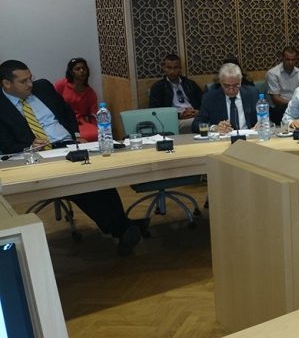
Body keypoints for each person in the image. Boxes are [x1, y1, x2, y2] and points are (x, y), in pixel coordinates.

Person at [0, 60, 144, 255]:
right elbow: (5, 144)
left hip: (68, 145)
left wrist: (76, 136)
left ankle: (122, 227)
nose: (30, 84)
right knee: (81, 182)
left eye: (30, 78)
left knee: (99, 176)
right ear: (7, 84)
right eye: (23, 81)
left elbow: (67, 112)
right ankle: (122, 227)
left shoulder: (43, 87)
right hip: (39, 154)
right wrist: (28, 146)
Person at [192, 63, 258, 134]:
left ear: (241, 81)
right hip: (223, 138)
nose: (231, 90)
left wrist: (261, 124)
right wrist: (214, 128)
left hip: (249, 137)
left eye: (236, 85)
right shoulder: (210, 98)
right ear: (220, 82)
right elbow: (196, 124)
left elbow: (265, 118)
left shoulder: (253, 93)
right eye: (227, 86)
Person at [149, 54, 203, 134]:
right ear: (164, 68)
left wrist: (198, 112)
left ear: (180, 68)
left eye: (175, 68)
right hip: (175, 120)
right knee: (200, 123)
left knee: (207, 119)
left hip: (194, 115)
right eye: (169, 68)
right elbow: (155, 111)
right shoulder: (158, 87)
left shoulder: (190, 84)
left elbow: (204, 101)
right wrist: (178, 115)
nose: (172, 71)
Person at [53, 57, 98, 142]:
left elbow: (94, 115)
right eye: (77, 69)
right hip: (63, 121)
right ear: (71, 72)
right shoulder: (61, 85)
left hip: (81, 123)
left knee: (95, 133)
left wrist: (98, 128)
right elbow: (52, 103)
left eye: (84, 68)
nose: (81, 71)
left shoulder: (90, 92)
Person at [266, 46, 299, 125]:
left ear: (296, 59)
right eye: (287, 59)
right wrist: (293, 104)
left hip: (296, 106)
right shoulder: (273, 73)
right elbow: (275, 99)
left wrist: (297, 105)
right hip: (279, 108)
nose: (290, 62)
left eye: (293, 60)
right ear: (282, 58)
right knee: (280, 110)